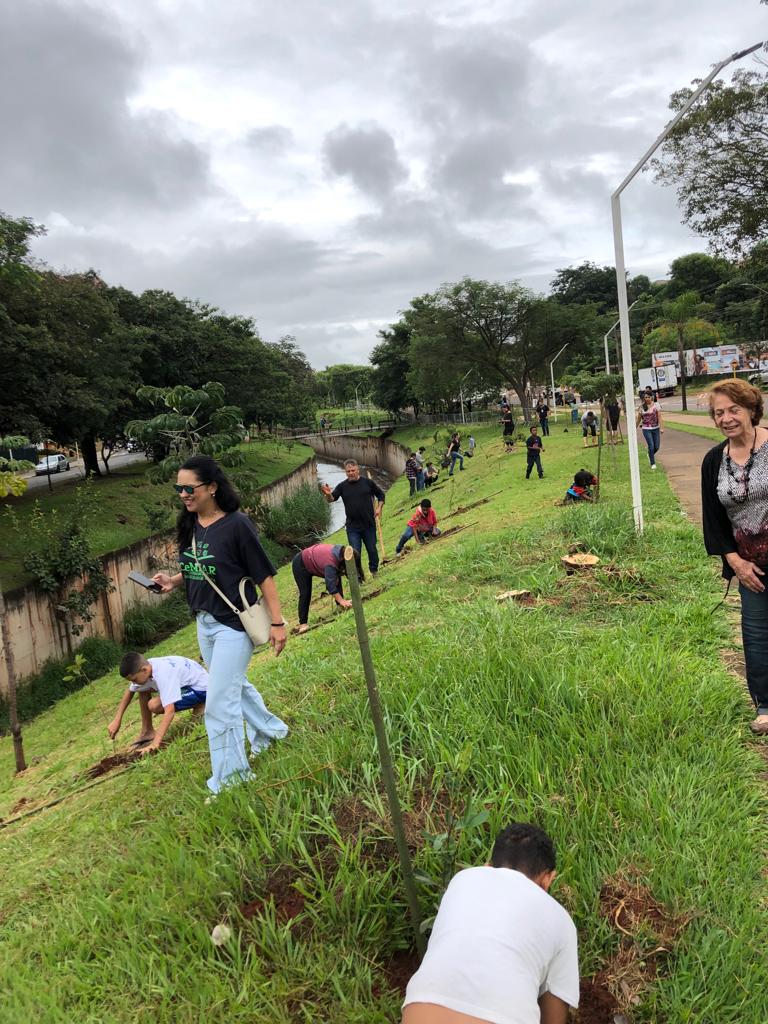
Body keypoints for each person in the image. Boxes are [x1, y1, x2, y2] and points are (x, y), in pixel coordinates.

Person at [151, 455, 288, 796]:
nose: (183, 494)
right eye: (179, 488)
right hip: (205, 623)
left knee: (218, 705)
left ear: (211, 487)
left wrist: (277, 622)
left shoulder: (237, 525)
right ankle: (271, 732)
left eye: (189, 488)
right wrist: (173, 580)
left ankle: (231, 780)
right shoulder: (190, 525)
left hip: (233, 626)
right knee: (234, 688)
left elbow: (264, 576)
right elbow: (204, 569)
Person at [402, 822, 579, 1024]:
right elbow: (553, 1018)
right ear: (548, 879)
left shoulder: (461, 880)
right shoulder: (560, 919)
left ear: (487, 866)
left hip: (421, 1008)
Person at [702, 379, 768, 734]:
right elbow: (712, 518)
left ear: (751, 410)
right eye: (718, 412)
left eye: (733, 410)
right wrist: (736, 562)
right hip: (750, 565)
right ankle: (765, 705)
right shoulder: (714, 460)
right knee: (756, 634)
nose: (726, 418)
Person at [108, 652, 208, 753]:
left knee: (155, 705)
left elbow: (170, 712)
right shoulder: (149, 665)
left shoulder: (163, 674)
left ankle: (200, 704)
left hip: (202, 689)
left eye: (134, 679)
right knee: (142, 690)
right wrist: (117, 720)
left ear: (144, 670)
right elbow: (130, 691)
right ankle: (147, 731)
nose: (134, 683)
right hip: (187, 684)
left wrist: (155, 744)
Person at [322, 459, 385, 575]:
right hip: (352, 527)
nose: (351, 473)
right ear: (345, 472)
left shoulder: (367, 483)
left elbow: (381, 495)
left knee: (372, 550)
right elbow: (331, 499)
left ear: (358, 469)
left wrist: (379, 508)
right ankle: (359, 577)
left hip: (368, 525)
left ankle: (374, 570)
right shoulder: (342, 486)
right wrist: (327, 494)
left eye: (353, 470)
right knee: (355, 553)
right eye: (348, 471)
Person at [292, 543, 361, 632]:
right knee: (305, 593)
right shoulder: (331, 562)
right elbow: (330, 586)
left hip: (313, 559)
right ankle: (303, 624)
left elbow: (335, 577)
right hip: (301, 564)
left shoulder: (340, 553)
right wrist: (341, 600)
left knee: (336, 576)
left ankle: (341, 606)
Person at [636, 392, 663, 469]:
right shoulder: (642, 407)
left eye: (648, 397)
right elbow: (638, 419)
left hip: (656, 428)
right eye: (645, 397)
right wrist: (635, 427)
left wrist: (661, 428)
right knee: (651, 446)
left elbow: (660, 417)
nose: (647, 398)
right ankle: (653, 463)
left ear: (652, 397)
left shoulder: (656, 405)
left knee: (656, 447)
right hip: (646, 429)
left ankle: (650, 454)